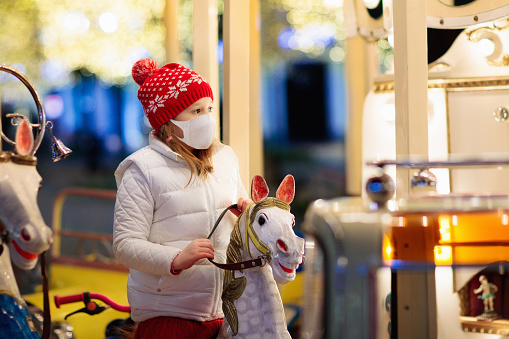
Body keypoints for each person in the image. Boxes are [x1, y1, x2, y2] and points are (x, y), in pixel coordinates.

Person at [113, 58, 251, 339]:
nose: (207, 118)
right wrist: (176, 259)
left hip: (225, 311)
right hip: (168, 316)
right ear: (168, 120)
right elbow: (125, 245)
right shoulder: (141, 170)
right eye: (195, 111)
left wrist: (248, 215)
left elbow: (240, 215)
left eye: (209, 108)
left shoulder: (226, 158)